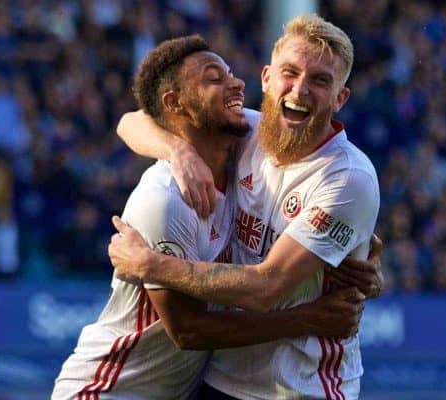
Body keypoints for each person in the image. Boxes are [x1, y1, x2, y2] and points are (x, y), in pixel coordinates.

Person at [52, 35, 376, 400]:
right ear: (268, 78)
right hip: (113, 390)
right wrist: (176, 150)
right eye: (213, 78)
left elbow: (271, 280)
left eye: (320, 80)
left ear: (340, 98)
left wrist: (358, 252)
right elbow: (189, 331)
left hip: (292, 387)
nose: (237, 84)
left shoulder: (253, 147)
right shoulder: (166, 198)